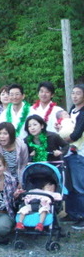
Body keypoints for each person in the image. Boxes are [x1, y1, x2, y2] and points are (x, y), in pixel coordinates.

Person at [62, 84, 84, 229]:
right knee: (69, 185)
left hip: (80, 152)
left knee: (80, 185)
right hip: (69, 152)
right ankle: (72, 213)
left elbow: (76, 133)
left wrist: (63, 138)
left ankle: (82, 215)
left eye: (78, 93)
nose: (74, 96)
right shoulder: (72, 110)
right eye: (73, 93)